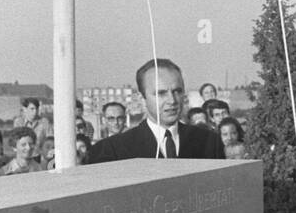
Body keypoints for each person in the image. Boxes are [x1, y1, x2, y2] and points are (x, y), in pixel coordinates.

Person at [87, 59, 225, 162]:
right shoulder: (112, 150)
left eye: (177, 91)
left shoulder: (210, 142)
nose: (172, 100)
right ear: (142, 98)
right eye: (161, 93)